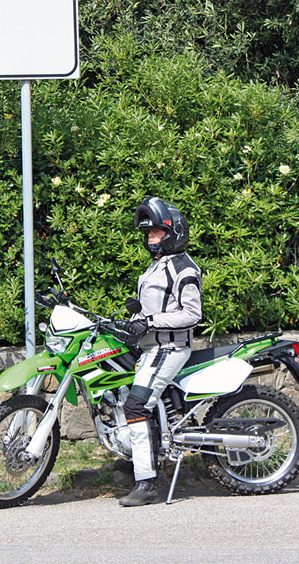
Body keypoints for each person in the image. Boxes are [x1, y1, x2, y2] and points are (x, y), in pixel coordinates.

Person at [116, 196, 202, 507]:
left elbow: (192, 313)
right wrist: (131, 321)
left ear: (173, 232)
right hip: (151, 347)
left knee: (136, 406)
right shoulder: (156, 266)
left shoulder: (184, 268)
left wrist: (149, 321)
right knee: (131, 398)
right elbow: (152, 308)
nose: (151, 239)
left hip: (170, 347)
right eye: (148, 234)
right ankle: (139, 457)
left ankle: (146, 483)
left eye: (156, 233)